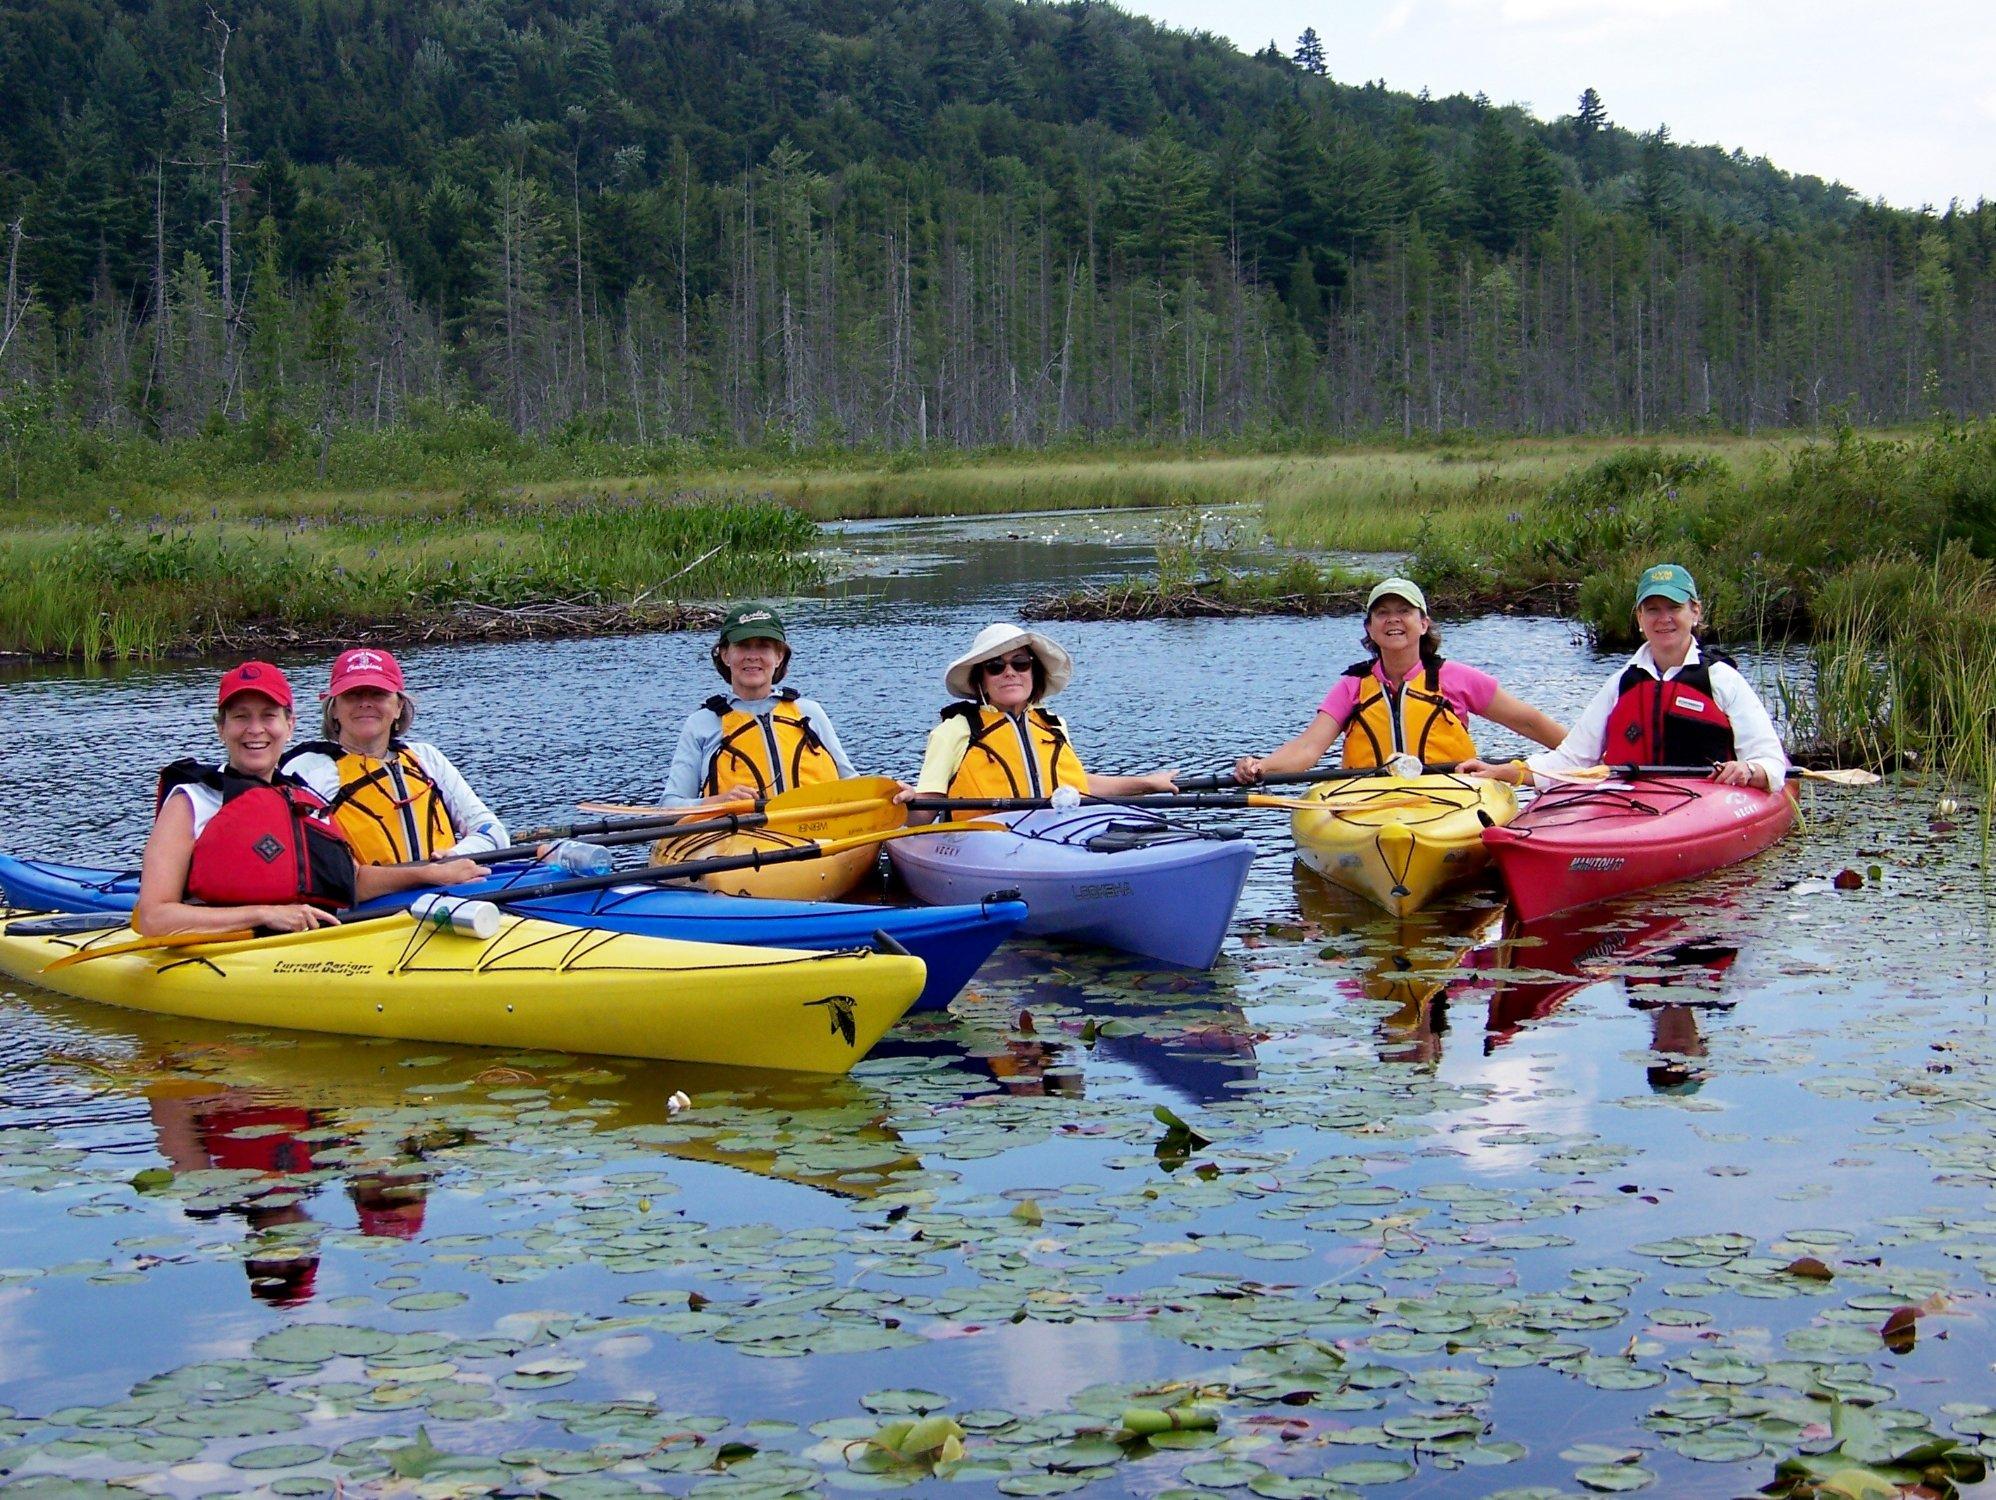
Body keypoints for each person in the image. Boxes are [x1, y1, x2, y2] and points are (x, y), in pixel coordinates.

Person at [134, 662, 484, 937]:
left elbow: (351, 881)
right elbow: (153, 917)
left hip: (298, 946)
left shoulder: (306, 800)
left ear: (290, 725)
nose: (255, 730)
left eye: (268, 716)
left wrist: (430, 874)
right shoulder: (192, 801)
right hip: (220, 951)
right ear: (221, 728)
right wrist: (265, 914)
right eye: (241, 717)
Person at [1459, 563, 1788, 791]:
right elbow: (1572, 759)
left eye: (1673, 608)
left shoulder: (1721, 679)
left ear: (1695, 612)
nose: (1664, 619)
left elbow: (1771, 761)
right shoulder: (1621, 683)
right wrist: (1507, 772)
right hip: (1633, 801)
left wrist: (1749, 770)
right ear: (1640, 618)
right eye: (1653, 610)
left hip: (1705, 800)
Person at [1232, 578, 1564, 784]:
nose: (1393, 619)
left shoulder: (1456, 679)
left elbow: (1529, 722)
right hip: (1369, 800)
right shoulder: (1352, 686)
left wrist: (1589, 757)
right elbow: (1308, 749)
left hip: (1451, 794)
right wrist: (1260, 766)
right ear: (1370, 628)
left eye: (1404, 611)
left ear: (1423, 623)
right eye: (1382, 613)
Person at [910, 623, 1178, 816]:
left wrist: (1148, 783)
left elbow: (1076, 785)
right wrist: (909, 803)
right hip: (983, 843)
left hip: (1054, 836)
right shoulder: (955, 730)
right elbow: (925, 808)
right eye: (995, 667)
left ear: (1033, 672)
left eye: (1020, 663)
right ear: (980, 679)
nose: (1010, 672)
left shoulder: (1053, 725)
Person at [281, 647, 509, 863]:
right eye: (352, 695)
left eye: (378, 694)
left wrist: (452, 856)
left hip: (445, 891)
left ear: (399, 706)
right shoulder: (307, 770)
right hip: (366, 902)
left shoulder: (426, 758)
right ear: (334, 709)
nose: (365, 703)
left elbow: (492, 831)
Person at [655, 603, 861, 806]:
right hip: (738, 836)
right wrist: (718, 802)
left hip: (816, 832)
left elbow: (852, 784)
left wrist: (889, 792)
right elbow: (670, 805)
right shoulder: (701, 723)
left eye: (763, 646)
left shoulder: (809, 713)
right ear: (725, 655)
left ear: (779, 656)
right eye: (743, 645)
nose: (753, 656)